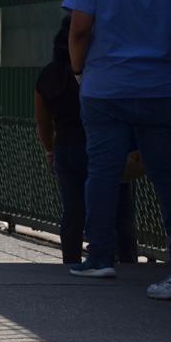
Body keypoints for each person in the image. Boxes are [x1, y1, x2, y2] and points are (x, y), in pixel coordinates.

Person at [63, 0, 171, 293]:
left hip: (105, 89)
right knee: (170, 178)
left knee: (102, 173)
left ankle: (99, 257)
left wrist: (79, 70)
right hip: (162, 88)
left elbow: (79, 29)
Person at [34, 15, 137, 264]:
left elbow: (42, 120)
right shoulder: (102, 72)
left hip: (67, 149)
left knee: (72, 211)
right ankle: (124, 260)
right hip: (104, 147)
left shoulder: (49, 75)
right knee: (117, 207)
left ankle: (71, 261)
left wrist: (50, 150)